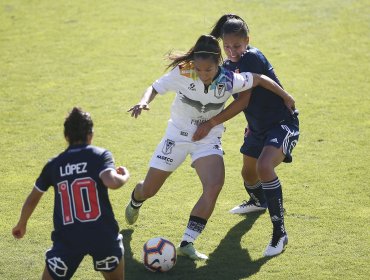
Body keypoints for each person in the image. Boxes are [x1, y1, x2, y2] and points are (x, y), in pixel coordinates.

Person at [125, 34, 294, 261]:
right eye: (200, 69)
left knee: (214, 185)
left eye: (209, 70)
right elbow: (155, 87)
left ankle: (187, 241)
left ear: (218, 64)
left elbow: (261, 79)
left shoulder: (229, 78)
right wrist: (144, 101)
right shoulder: (183, 72)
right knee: (150, 190)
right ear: (193, 63)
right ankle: (137, 199)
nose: (204, 75)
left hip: (207, 140)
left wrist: (286, 96)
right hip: (176, 136)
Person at [192, 14, 300, 257]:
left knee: (264, 167)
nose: (232, 51)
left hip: (282, 123)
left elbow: (244, 100)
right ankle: (259, 200)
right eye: (227, 46)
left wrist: (211, 123)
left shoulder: (251, 57)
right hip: (257, 128)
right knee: (248, 173)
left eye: (237, 46)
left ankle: (279, 232)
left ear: (247, 41)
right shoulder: (227, 67)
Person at [12, 107, 130, 280]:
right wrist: (125, 176)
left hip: (68, 239)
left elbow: (33, 198)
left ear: (66, 136)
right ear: (91, 134)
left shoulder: (54, 164)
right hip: (102, 236)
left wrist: (21, 224)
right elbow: (112, 182)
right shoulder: (100, 156)